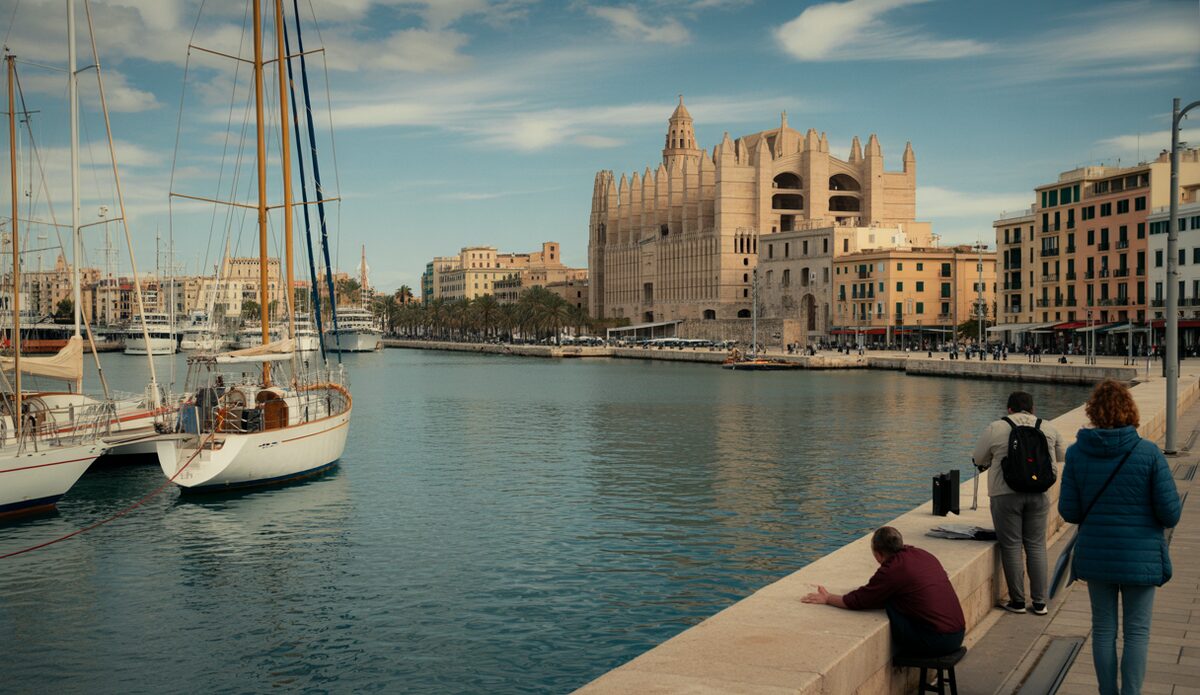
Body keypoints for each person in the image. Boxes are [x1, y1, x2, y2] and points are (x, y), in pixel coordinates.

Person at [1060, 380, 1181, 695]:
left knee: (1103, 631)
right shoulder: (1149, 453)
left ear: (1093, 412)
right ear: (1130, 410)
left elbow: (1069, 511)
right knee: (1137, 634)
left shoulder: (1076, 454)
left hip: (1097, 556)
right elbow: (1170, 514)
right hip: (1140, 558)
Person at [801, 527, 965, 657]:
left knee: (891, 601)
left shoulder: (892, 570)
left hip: (938, 640)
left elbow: (858, 600)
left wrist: (828, 598)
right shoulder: (922, 554)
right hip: (958, 632)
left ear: (878, 554)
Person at [972, 391, 1065, 615]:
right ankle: (1040, 603)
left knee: (1012, 545)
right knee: (1036, 545)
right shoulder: (1048, 428)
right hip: (1039, 493)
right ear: (1033, 409)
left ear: (1009, 409)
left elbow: (978, 459)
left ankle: (1018, 602)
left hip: (1005, 494)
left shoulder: (996, 427)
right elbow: (1061, 456)